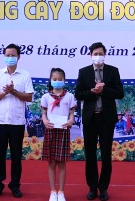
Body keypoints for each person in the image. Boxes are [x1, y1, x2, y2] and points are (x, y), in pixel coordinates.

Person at [74, 42, 124, 201]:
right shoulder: (84, 72)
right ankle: (92, 187)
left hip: (106, 118)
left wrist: (104, 90)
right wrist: (93, 92)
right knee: (90, 154)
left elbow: (120, 93)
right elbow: (78, 94)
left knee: (106, 154)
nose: (98, 56)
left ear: (105, 54)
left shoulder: (112, 71)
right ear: (90, 55)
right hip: (90, 118)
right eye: (95, 54)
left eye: (100, 53)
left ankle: (103, 188)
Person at [0, 44, 34, 198]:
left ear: (18, 57)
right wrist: (5, 92)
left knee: (16, 156)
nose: (10, 57)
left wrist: (13, 91)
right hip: (0, 121)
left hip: (17, 122)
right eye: (7, 55)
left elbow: (29, 97)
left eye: (13, 55)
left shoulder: (25, 75)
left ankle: (15, 185)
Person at [41, 68, 76, 201]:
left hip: (63, 130)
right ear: (50, 80)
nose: (57, 81)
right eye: (54, 79)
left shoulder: (69, 96)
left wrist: (71, 120)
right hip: (50, 130)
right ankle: (53, 191)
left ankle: (61, 191)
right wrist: (45, 121)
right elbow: (44, 113)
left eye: (60, 79)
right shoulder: (46, 97)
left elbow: (72, 114)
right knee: (51, 162)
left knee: (62, 163)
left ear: (64, 80)